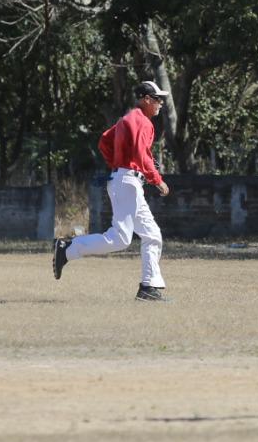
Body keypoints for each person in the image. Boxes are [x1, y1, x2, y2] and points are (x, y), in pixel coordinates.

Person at [53, 81, 171, 301]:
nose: (160, 104)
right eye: (157, 99)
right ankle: (68, 248)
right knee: (120, 238)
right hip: (128, 181)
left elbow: (104, 141)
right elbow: (141, 154)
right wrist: (157, 179)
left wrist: (116, 164)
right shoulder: (141, 121)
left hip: (124, 179)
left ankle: (149, 288)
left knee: (152, 235)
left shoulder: (127, 119)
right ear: (146, 99)